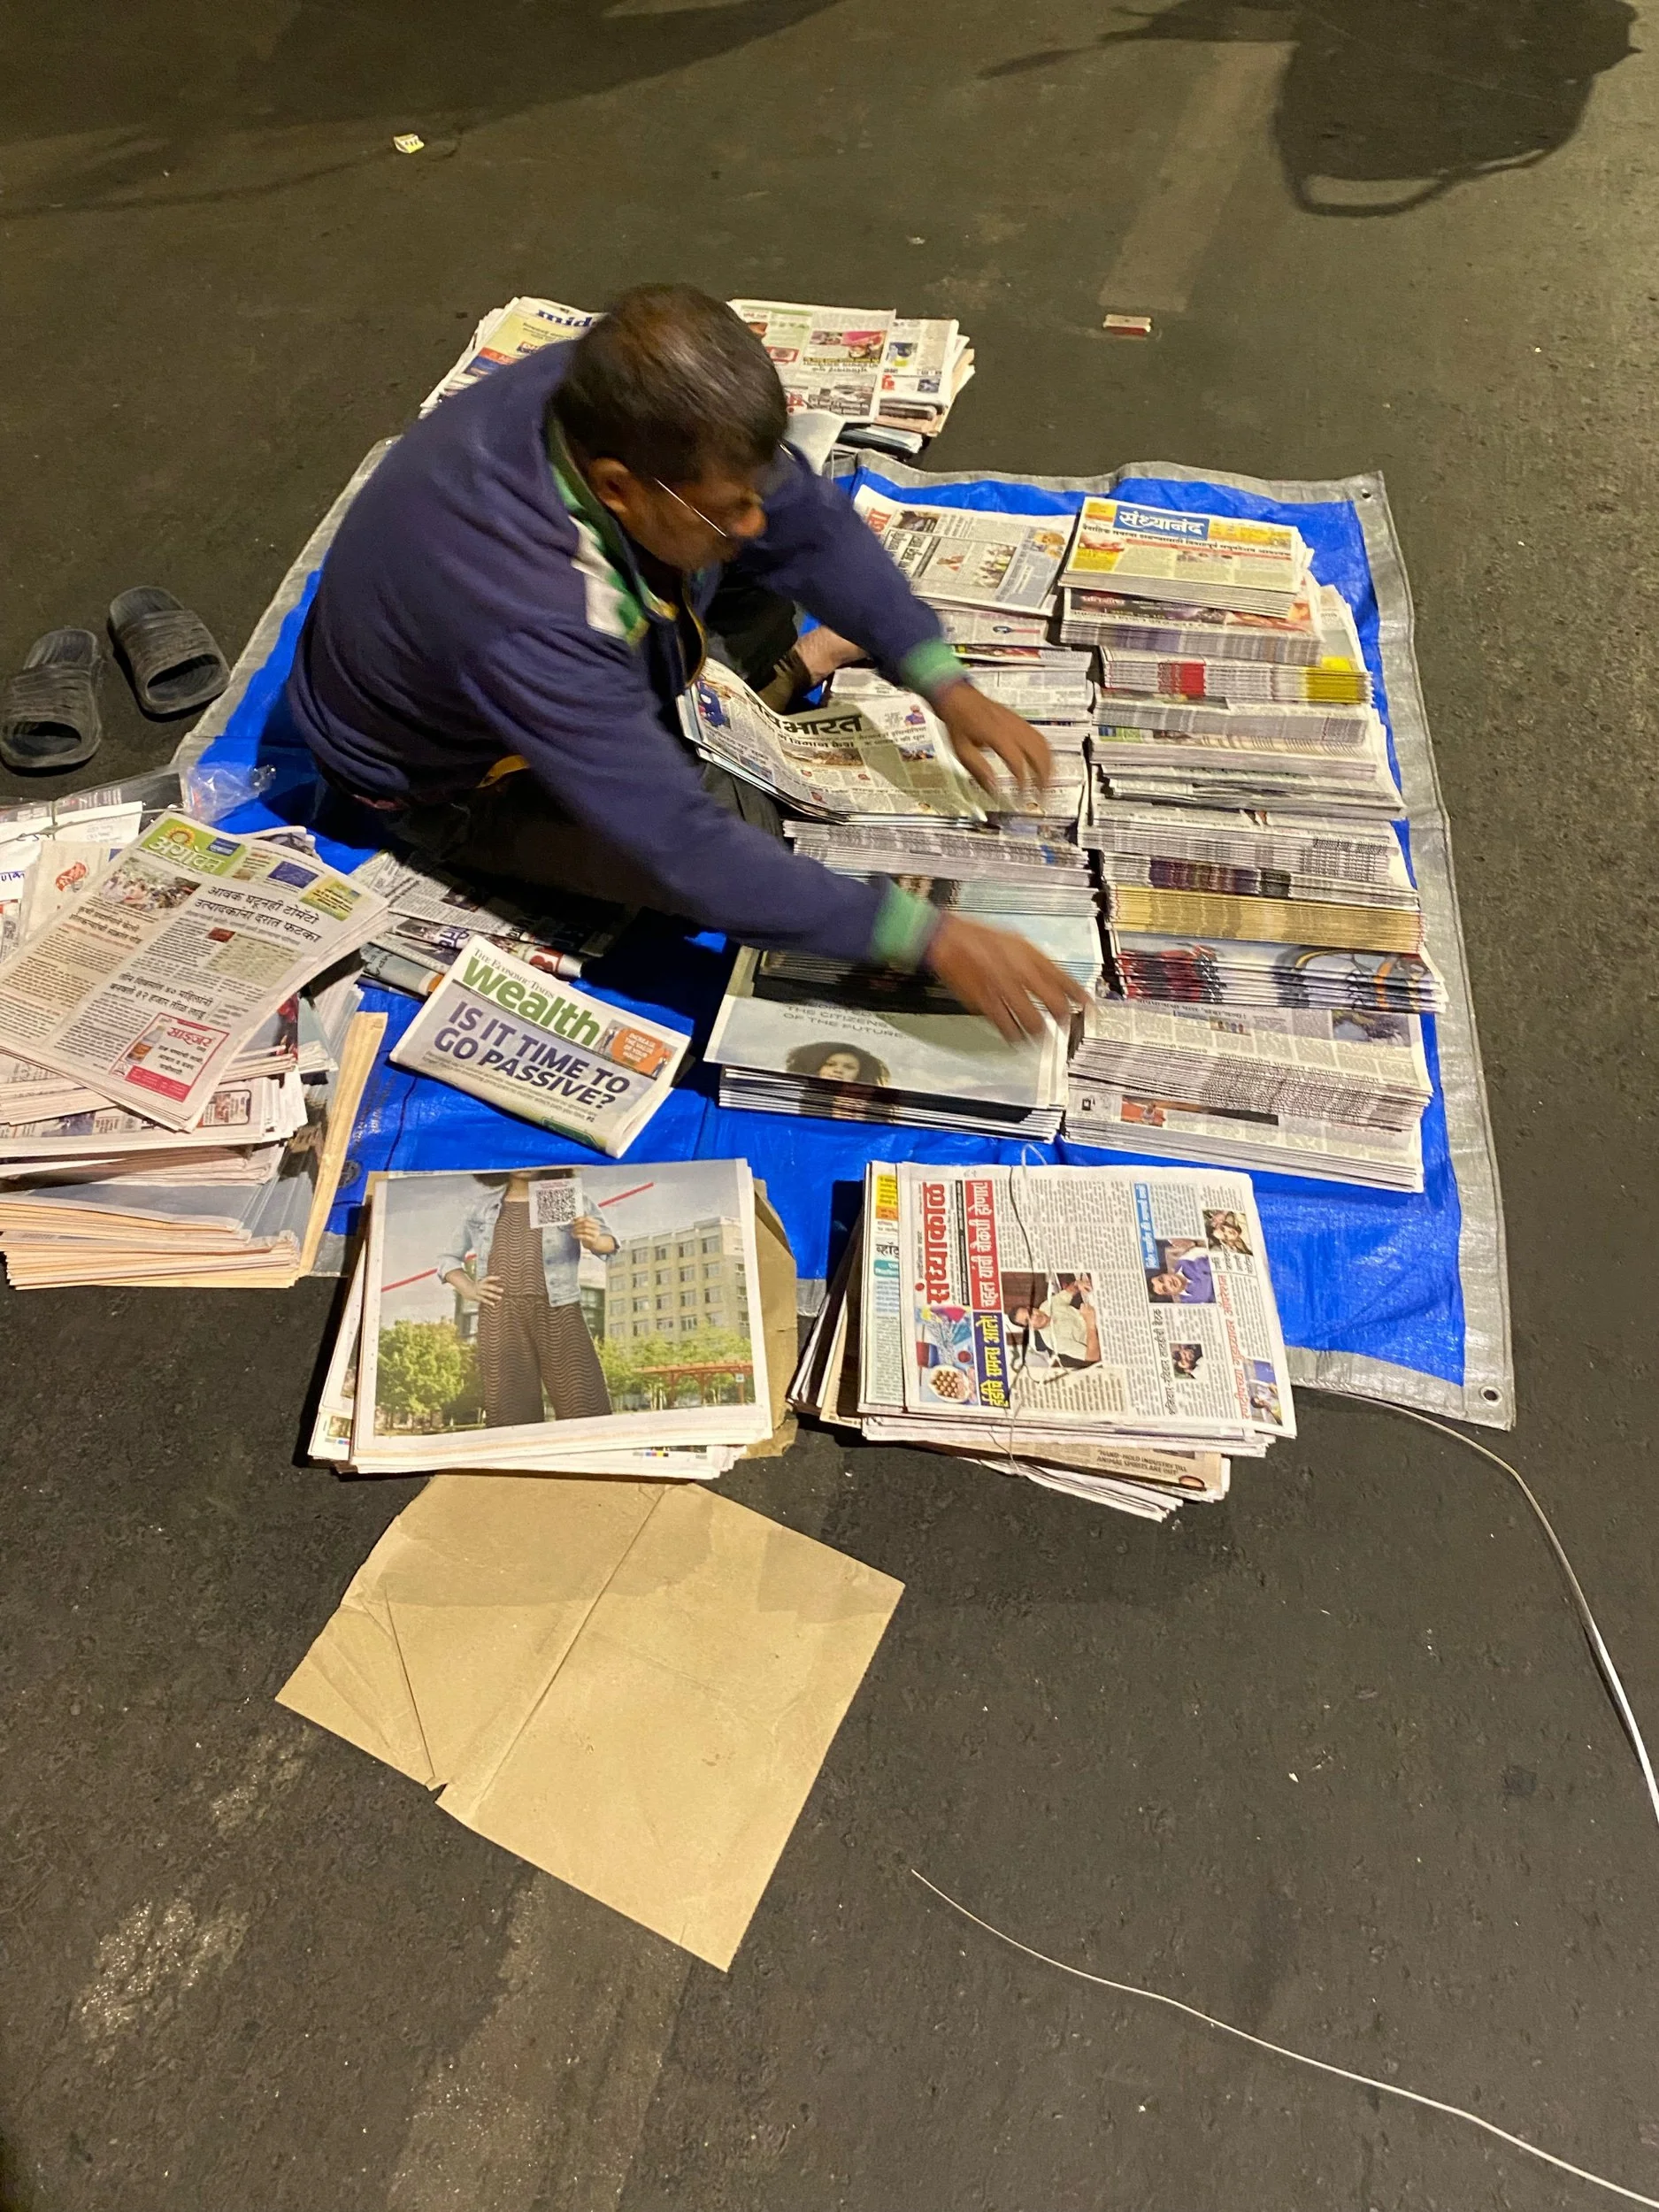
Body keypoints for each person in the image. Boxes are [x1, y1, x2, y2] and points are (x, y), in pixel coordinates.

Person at [287, 284, 1087, 1042]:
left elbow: (803, 523)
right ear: (615, 489)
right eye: (725, 504)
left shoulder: (613, 399)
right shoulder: (530, 611)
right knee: (745, 835)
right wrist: (927, 936)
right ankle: (771, 682)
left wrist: (942, 679)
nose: (752, 517)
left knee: (760, 563)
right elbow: (681, 845)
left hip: (546, 639)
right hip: (450, 783)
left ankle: (760, 675)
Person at [437, 1170, 618, 1427]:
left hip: (559, 1309)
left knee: (586, 1408)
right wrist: (469, 1289)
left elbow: (609, 1244)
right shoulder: (481, 1208)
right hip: (500, 1315)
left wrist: (594, 1239)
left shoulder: (562, 1196)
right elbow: (447, 1259)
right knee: (511, 1415)